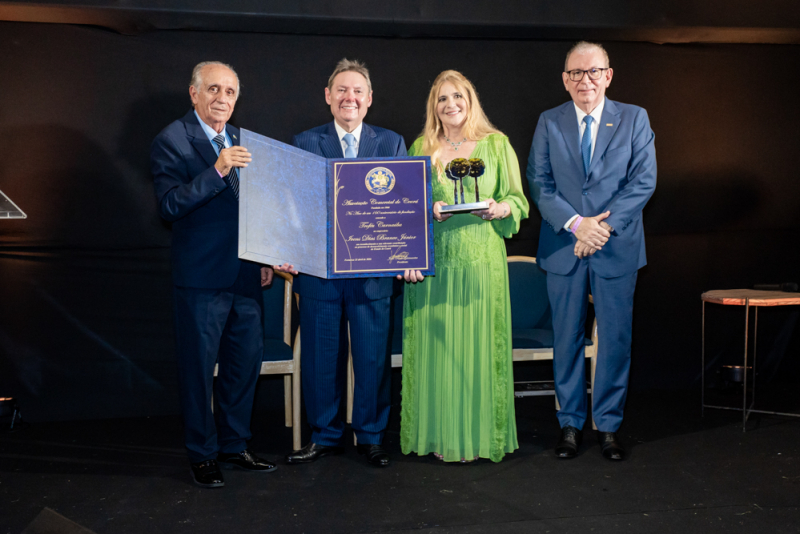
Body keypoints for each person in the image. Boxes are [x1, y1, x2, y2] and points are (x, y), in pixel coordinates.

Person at [151, 61, 282, 487]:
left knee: (243, 367)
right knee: (198, 369)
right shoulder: (171, 140)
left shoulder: (243, 139)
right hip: (201, 279)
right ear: (193, 94)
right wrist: (218, 170)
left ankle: (235, 445)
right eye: (212, 90)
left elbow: (258, 206)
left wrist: (264, 256)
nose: (221, 98)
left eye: (229, 91)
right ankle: (202, 454)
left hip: (246, 276)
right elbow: (169, 206)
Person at [527, 41, 657, 461]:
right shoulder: (549, 121)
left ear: (608, 75)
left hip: (615, 246)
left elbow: (643, 180)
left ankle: (608, 426)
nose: (586, 80)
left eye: (593, 72)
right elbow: (539, 182)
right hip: (566, 245)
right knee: (566, 339)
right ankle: (569, 424)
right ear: (565, 80)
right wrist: (577, 224)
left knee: (616, 340)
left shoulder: (634, 118)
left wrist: (600, 227)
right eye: (576, 74)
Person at [399, 70, 529, 463]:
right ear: (433, 107)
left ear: (470, 101)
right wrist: (427, 209)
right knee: (437, 350)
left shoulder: (496, 144)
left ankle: (477, 436)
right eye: (442, 98)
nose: (450, 104)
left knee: (477, 349)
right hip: (435, 266)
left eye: (458, 96)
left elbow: (518, 201)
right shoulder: (421, 146)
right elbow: (403, 208)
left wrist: (501, 207)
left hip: (481, 264)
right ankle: (439, 435)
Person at [283, 58, 407, 468]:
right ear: (327, 96)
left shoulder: (391, 143)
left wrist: (408, 253)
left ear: (369, 100)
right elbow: (292, 208)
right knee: (320, 358)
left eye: (357, 91)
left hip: (373, 275)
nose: (349, 97)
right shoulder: (304, 142)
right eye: (341, 90)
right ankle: (325, 434)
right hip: (320, 273)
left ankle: (371, 435)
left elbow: (405, 208)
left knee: (372, 358)